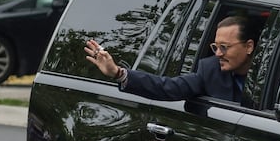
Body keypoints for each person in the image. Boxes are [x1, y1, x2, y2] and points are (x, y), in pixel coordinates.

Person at [85, 15, 260, 103]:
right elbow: (167, 87)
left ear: (249, 46)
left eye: (225, 47)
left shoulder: (275, 71)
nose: (218, 54)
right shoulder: (210, 70)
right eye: (215, 47)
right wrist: (118, 73)